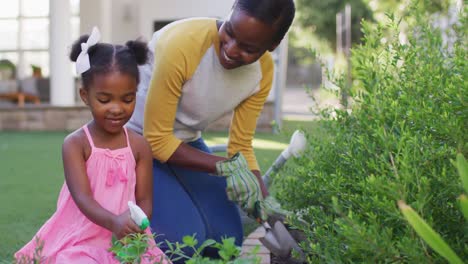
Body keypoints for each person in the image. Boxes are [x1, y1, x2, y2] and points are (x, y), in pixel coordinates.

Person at [126, 0, 295, 260]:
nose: (230, 49)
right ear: (231, 11)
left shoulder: (262, 72)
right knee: (182, 243)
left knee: (227, 241)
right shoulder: (183, 44)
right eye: (229, 32)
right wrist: (226, 166)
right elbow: (156, 141)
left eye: (248, 48)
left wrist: (269, 210)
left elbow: (241, 147)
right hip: (137, 142)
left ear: (272, 46)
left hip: (185, 142)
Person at [15, 27, 168, 264]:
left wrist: (139, 222)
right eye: (104, 99)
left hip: (127, 237)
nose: (117, 108)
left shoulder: (139, 146)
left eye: (127, 99)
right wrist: (114, 222)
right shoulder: (76, 144)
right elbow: (83, 199)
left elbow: (145, 199)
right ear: (85, 95)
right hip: (83, 236)